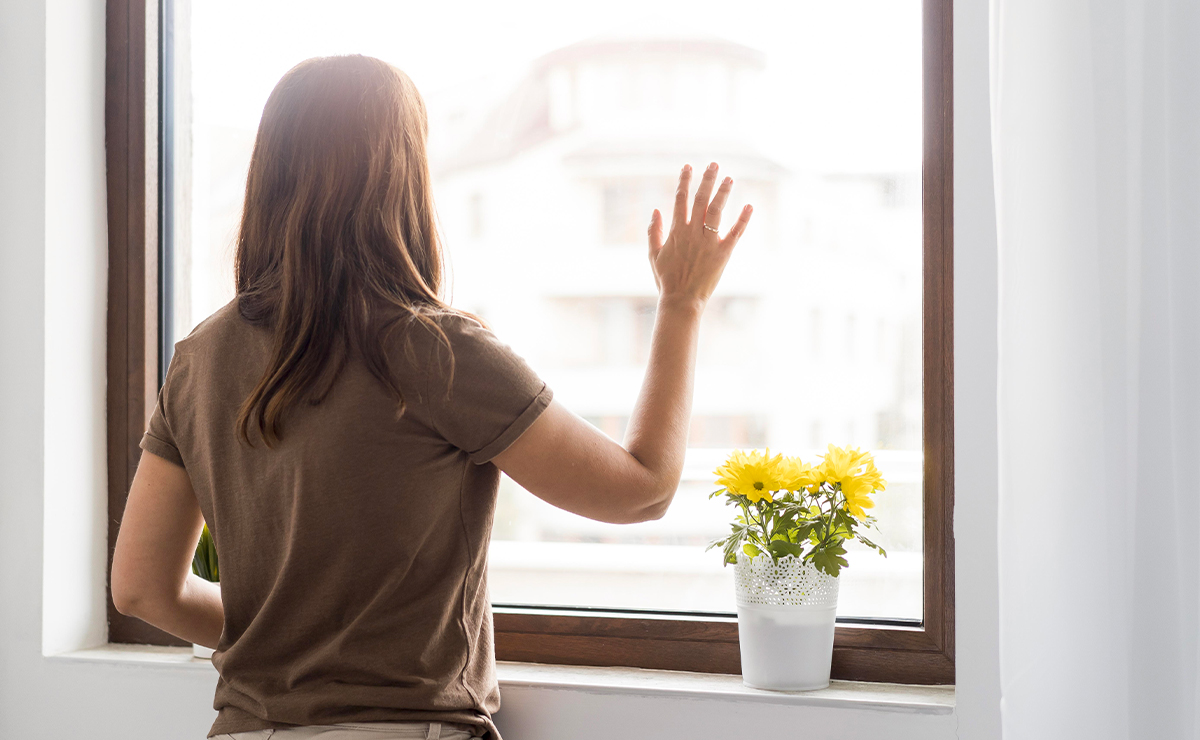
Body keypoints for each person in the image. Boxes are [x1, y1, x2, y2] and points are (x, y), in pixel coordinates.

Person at [110, 54, 752, 740]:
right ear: (403, 175)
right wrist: (682, 305)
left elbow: (142, 588)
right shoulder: (434, 351)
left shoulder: (200, 358)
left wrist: (276, 643)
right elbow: (641, 491)